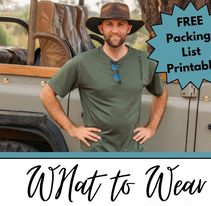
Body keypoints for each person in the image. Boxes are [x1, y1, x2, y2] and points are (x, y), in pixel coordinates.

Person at [40, 2, 167, 152]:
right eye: (109, 24)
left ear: (128, 28)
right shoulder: (83, 62)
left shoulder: (145, 61)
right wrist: (72, 129)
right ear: (101, 28)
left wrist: (151, 128)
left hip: (133, 152)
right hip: (96, 152)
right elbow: (46, 94)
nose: (115, 30)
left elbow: (161, 93)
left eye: (120, 24)